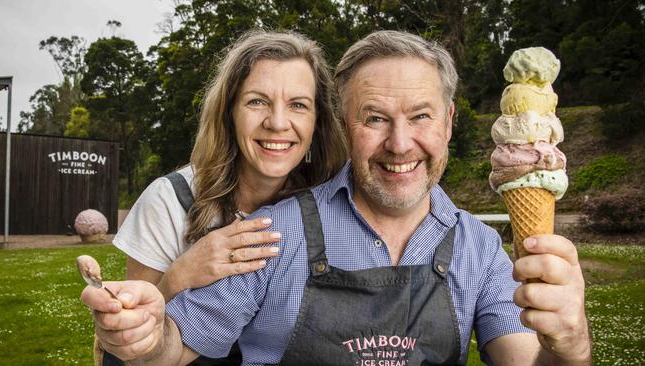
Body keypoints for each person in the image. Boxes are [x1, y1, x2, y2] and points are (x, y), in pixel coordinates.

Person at [82, 30, 592, 365]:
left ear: (450, 121)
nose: (399, 144)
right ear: (345, 127)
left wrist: (569, 346)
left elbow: (525, 359)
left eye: (420, 115)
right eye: (374, 118)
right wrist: (145, 336)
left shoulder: (480, 250)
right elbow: (175, 344)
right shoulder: (271, 231)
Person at [97, 30, 347, 365]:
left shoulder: (331, 201)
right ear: (229, 113)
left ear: (318, 122)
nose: (276, 122)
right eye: (256, 101)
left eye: (298, 105)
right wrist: (180, 275)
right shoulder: (169, 200)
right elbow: (131, 342)